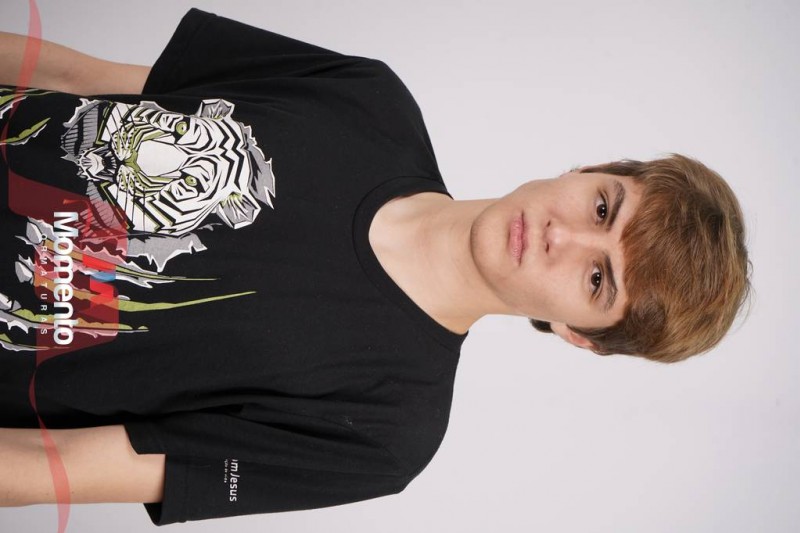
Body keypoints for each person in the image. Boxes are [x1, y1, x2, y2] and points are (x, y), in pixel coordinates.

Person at [0, 8, 750, 526]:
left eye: (597, 280)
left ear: (580, 334)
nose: (563, 237)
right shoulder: (368, 99)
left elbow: (48, 467)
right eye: (602, 208)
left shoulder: (388, 433)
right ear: (588, 170)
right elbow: (73, 73)